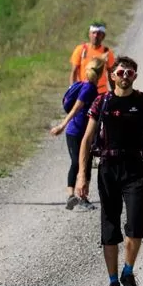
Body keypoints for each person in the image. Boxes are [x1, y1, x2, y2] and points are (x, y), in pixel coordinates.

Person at [76, 56, 143, 286]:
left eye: (130, 72)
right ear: (112, 75)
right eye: (121, 72)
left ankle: (128, 271)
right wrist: (81, 176)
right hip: (108, 168)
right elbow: (86, 140)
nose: (125, 76)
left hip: (135, 168)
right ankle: (113, 283)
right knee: (109, 227)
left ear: (135, 76)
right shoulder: (101, 102)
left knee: (137, 223)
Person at [50, 58, 106, 211]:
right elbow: (76, 109)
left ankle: (82, 197)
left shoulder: (92, 88)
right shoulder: (88, 88)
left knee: (86, 163)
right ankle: (71, 196)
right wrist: (62, 125)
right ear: (101, 73)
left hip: (86, 132)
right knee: (77, 162)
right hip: (75, 131)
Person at [69, 22, 116, 94]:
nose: (96, 36)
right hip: (84, 90)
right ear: (89, 34)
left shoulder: (107, 52)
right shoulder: (81, 49)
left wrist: (115, 93)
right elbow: (74, 71)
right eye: (93, 33)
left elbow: (111, 74)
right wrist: (72, 89)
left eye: (99, 33)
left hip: (101, 91)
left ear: (103, 36)